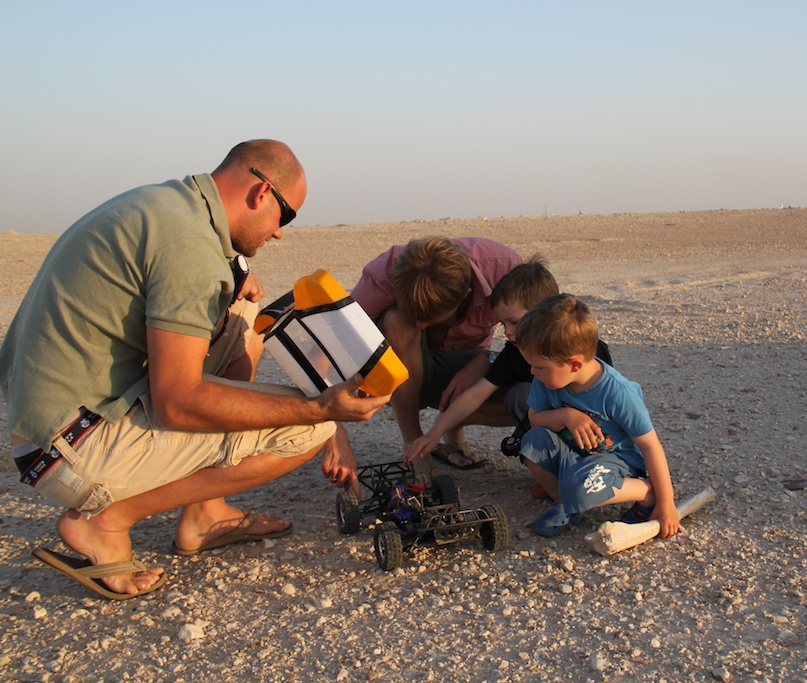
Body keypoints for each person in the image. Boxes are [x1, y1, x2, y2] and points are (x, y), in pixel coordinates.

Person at [0, 140, 391, 599]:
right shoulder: (190, 248)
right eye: (285, 216)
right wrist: (322, 410)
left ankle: (204, 512)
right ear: (261, 193)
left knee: (244, 317)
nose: (281, 233)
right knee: (313, 428)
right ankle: (107, 522)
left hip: (49, 421)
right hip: (70, 447)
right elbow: (177, 403)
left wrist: (230, 283)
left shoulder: (169, 207)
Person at [404, 256, 613, 500]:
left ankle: (591, 467)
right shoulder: (514, 353)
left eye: (514, 321)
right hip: (551, 425)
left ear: (544, 312)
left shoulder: (588, 349)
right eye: (503, 323)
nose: (508, 332)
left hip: (596, 431)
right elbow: (475, 393)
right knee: (520, 396)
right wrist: (433, 434)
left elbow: (611, 399)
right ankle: (553, 473)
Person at [349, 236, 521, 476]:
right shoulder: (384, 274)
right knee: (398, 322)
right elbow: (332, 343)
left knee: (529, 397)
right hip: (405, 372)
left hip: (471, 367)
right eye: (416, 314)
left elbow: (543, 341)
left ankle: (454, 428)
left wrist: (487, 360)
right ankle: (414, 442)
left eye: (430, 317)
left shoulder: (506, 269)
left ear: (464, 294)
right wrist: (334, 431)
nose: (421, 324)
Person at [514, 293, 681, 538]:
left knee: (580, 488)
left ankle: (646, 492)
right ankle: (564, 504)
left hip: (616, 460)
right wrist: (566, 415)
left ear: (574, 365)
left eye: (539, 366)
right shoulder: (546, 378)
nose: (532, 371)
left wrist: (666, 503)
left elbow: (650, 446)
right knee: (532, 443)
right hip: (575, 454)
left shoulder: (618, 393)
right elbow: (535, 419)